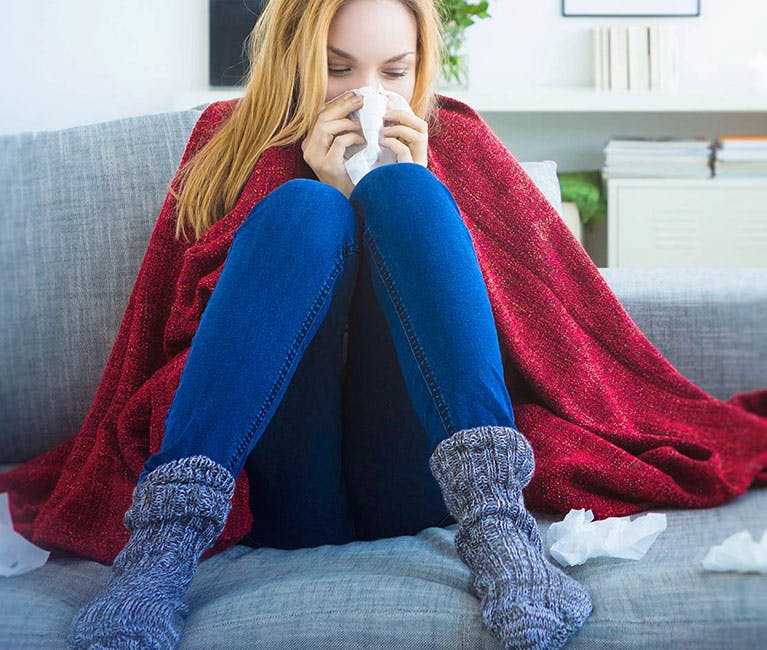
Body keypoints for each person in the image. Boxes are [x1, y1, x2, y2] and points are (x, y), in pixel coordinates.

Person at [65, 0, 593, 648]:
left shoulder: (458, 138)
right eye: (337, 69)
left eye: (394, 72)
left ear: (422, 68)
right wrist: (327, 194)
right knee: (304, 210)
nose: (366, 94)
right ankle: (159, 553)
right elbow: (176, 319)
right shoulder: (226, 139)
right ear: (295, 58)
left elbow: (526, 314)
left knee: (409, 192)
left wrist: (407, 187)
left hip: (417, 474)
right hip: (279, 480)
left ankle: (500, 532)